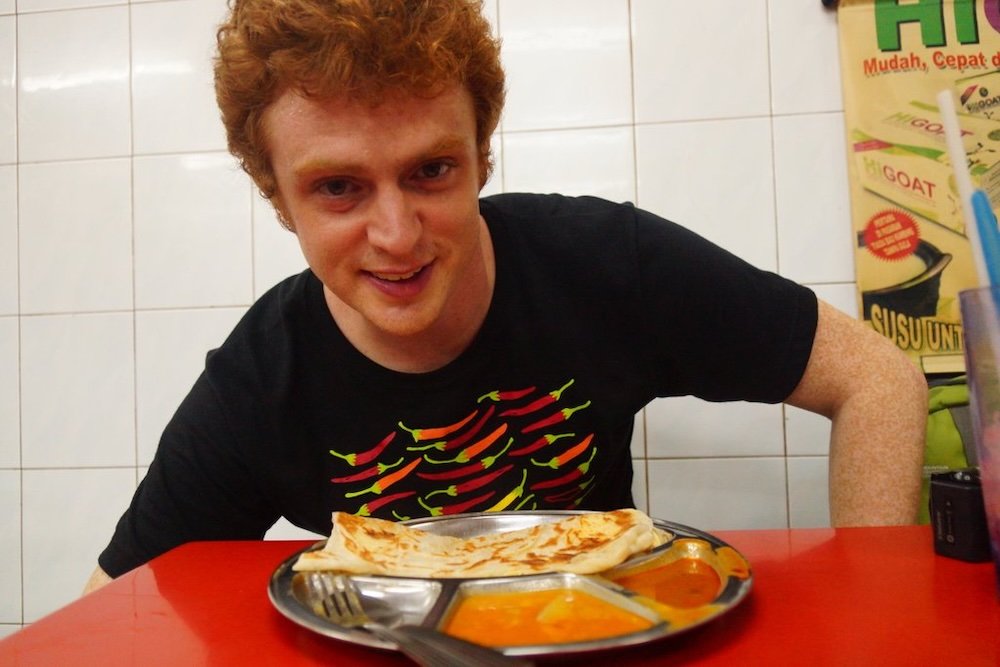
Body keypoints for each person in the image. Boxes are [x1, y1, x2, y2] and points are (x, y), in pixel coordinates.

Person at [84, 0, 927, 593]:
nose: (398, 235)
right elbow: (115, 607)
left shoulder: (604, 264)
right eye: (338, 187)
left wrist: (873, 613)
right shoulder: (259, 384)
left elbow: (878, 378)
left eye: (431, 171)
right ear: (277, 198)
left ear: (483, 155)